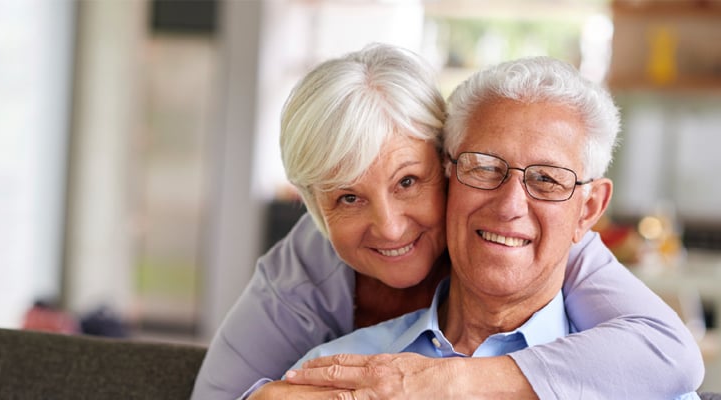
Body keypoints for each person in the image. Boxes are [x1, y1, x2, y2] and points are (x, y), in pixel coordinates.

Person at [191, 44, 704, 400]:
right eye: (348, 197)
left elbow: (672, 355)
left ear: (443, 165)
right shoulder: (320, 317)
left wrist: (449, 383)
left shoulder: (563, 250)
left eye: (407, 181)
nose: (389, 227)